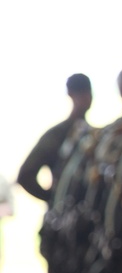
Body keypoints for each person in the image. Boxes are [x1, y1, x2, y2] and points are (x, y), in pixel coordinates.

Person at [17, 73, 93, 205]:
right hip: (64, 218)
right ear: (70, 94)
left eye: (88, 92)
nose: (87, 98)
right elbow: (25, 175)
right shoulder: (57, 135)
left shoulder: (94, 135)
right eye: (81, 92)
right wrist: (54, 199)